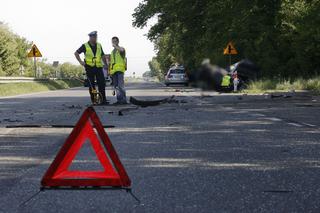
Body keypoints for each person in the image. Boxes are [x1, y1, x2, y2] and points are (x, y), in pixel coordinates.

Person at [74, 31, 108, 105]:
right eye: (94, 37)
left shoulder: (99, 45)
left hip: (98, 67)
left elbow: (102, 55)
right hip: (89, 68)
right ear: (90, 37)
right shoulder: (85, 45)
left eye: (96, 37)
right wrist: (80, 62)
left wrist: (106, 64)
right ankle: (94, 100)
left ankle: (103, 100)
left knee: (102, 83)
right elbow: (76, 53)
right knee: (92, 85)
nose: (95, 38)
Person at [109, 36, 127, 104]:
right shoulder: (112, 52)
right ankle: (119, 100)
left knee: (121, 86)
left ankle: (123, 100)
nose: (114, 42)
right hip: (114, 72)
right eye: (113, 41)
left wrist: (115, 46)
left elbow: (121, 51)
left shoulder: (121, 49)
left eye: (115, 41)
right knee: (116, 87)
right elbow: (112, 63)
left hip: (120, 70)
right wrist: (110, 71)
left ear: (118, 42)